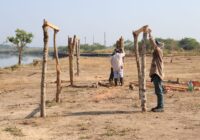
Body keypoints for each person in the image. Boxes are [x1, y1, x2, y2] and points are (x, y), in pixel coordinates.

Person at [149, 31, 165, 112]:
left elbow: (153, 44)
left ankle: (161, 107)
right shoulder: (157, 52)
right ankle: (159, 106)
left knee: (159, 91)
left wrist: (150, 35)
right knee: (158, 91)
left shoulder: (158, 51)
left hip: (157, 74)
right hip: (156, 73)